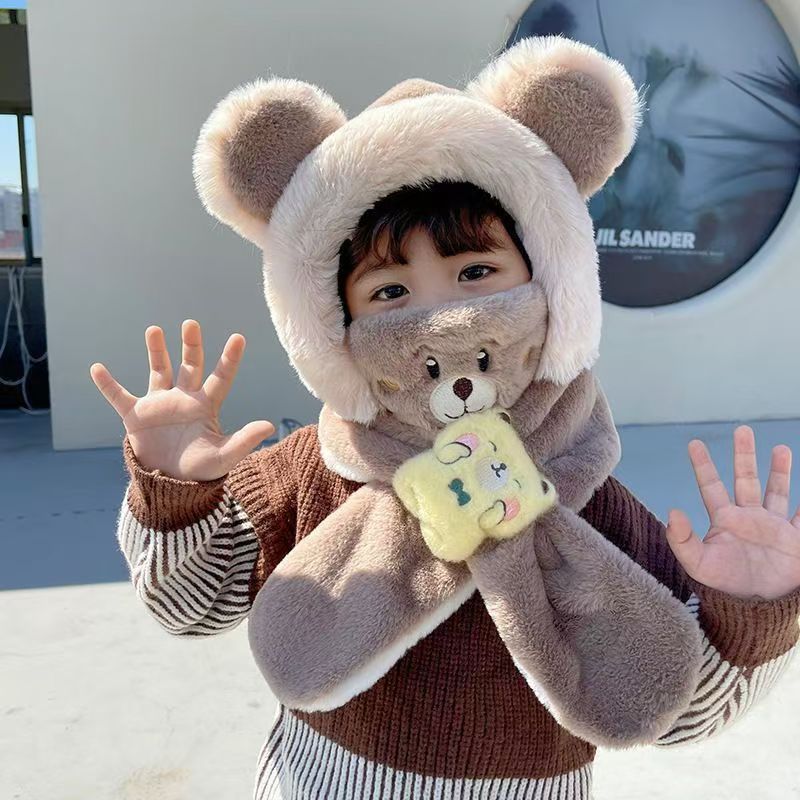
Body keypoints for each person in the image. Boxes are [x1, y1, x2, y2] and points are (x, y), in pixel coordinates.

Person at [90, 35, 800, 800]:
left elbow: (675, 705)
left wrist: (746, 613)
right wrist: (177, 496)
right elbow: (192, 605)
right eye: (391, 292)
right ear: (335, 324)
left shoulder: (588, 494)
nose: (445, 321)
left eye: (476, 272)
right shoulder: (315, 468)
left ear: (551, 282)